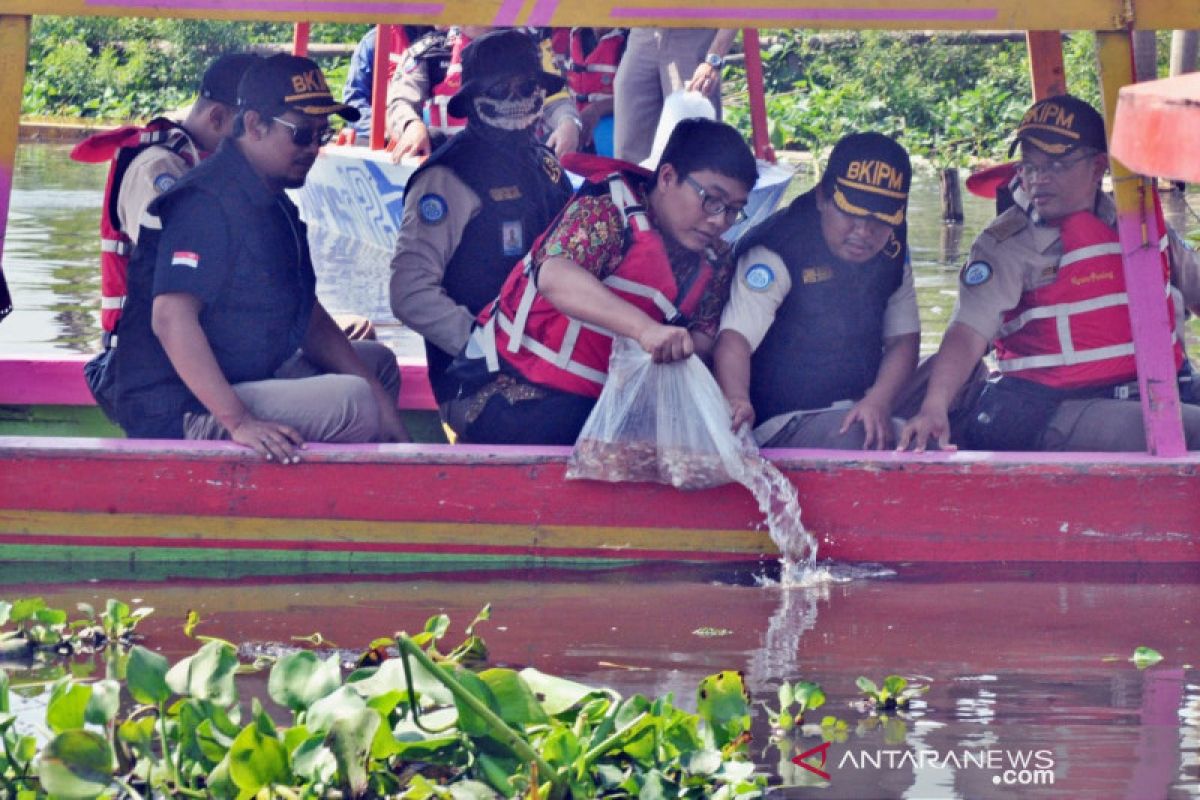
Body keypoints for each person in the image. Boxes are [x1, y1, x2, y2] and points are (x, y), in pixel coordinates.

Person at [111, 54, 408, 460]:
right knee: (354, 401)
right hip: (181, 406)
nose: (314, 149)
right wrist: (238, 422)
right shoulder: (206, 201)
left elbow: (309, 319)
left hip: (245, 376)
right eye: (302, 134)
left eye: (323, 134)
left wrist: (384, 400)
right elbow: (170, 317)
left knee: (377, 368)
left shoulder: (272, 202)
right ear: (253, 125)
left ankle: (362, 496)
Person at [898, 94, 1200, 452]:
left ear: (1098, 166)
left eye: (1056, 165)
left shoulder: (1140, 224)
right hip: (1051, 407)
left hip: (1158, 388)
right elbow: (967, 332)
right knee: (1189, 429)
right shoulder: (1004, 244)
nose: (1038, 179)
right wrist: (935, 406)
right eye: (1029, 165)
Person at [442, 117, 758, 445]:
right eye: (712, 200)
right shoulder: (608, 211)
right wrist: (645, 329)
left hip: (607, 405)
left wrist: (731, 398)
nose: (719, 220)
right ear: (667, 177)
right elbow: (554, 275)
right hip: (506, 386)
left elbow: (703, 339)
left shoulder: (715, 260)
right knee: (577, 431)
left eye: (733, 210)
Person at [389, 28, 575, 411]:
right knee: (577, 419)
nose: (517, 100)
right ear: (473, 99)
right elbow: (409, 292)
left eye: (527, 87)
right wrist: (490, 346)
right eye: (501, 89)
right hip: (477, 385)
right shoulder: (446, 177)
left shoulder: (547, 165)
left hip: (558, 359)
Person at [713, 132, 919, 450]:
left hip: (865, 400)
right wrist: (738, 402)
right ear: (823, 197)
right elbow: (734, 340)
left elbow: (902, 340)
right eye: (851, 213)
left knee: (960, 384)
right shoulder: (777, 248)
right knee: (862, 436)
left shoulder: (892, 244)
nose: (864, 231)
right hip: (785, 419)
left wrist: (879, 400)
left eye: (880, 218)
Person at [71, 52, 259, 335]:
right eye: (254, 129)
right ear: (218, 118)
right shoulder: (157, 168)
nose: (260, 141)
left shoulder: (211, 167)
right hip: (143, 362)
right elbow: (185, 270)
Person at [385, 26, 582, 160]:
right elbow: (399, 101)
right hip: (452, 165)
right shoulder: (430, 52)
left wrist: (569, 123)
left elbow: (556, 101)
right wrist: (411, 125)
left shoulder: (528, 48)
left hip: (519, 163)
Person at [612, 28, 736, 165]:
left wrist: (714, 59)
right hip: (644, 28)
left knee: (691, 150)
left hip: (694, 30)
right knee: (628, 150)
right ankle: (631, 184)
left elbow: (742, 7)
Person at [341, 25, 433, 141]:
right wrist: (386, 129)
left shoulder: (451, 40)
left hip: (437, 139)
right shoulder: (375, 41)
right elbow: (354, 100)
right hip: (385, 142)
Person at [558, 27, 627, 155]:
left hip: (614, 126)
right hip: (574, 122)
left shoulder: (628, 40)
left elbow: (637, 97)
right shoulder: (570, 36)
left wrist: (597, 109)